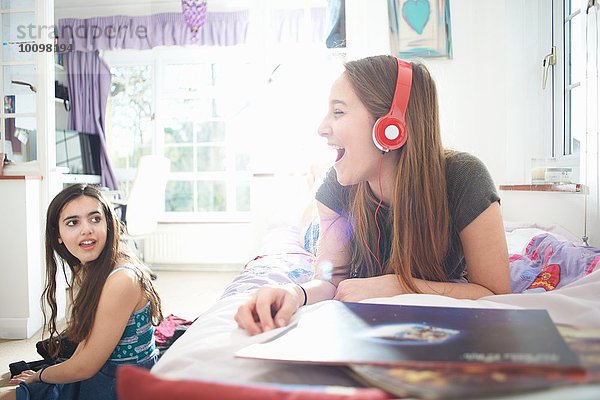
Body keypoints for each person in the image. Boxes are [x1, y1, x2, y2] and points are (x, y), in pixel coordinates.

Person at [235, 55, 511, 335]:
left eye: (339, 112)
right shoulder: (337, 184)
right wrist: (294, 293)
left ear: (391, 128)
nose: (321, 128)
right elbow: (330, 280)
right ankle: (307, 199)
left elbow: (496, 293)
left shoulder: (465, 178)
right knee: (307, 230)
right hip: (324, 229)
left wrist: (401, 287)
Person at [0, 184, 163, 400]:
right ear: (57, 234)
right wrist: (51, 374)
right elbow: (85, 346)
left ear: (109, 224)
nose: (87, 229)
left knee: (20, 392)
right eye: (73, 222)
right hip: (102, 372)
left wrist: (39, 376)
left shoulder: (122, 279)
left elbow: (85, 367)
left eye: (95, 219)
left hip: (123, 384)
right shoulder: (88, 270)